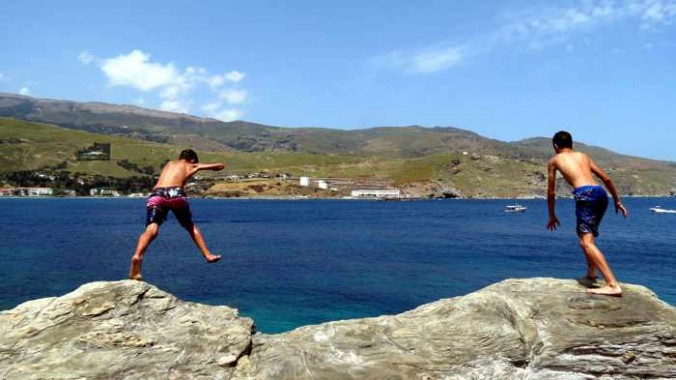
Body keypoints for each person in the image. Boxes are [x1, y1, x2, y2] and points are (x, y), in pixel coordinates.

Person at [546, 131, 628, 296]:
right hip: (600, 193)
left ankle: (612, 284)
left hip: (585, 194)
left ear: (555, 146)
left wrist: (552, 215)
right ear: (572, 144)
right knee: (587, 235)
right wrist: (617, 201)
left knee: (585, 243)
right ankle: (591, 273)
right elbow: (607, 179)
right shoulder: (583, 156)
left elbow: (551, 192)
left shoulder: (554, 160)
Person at [129, 149, 225, 281]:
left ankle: (137, 255)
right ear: (191, 159)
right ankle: (207, 254)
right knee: (190, 226)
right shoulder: (191, 165)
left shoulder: (169, 164)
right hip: (176, 194)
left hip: (157, 194)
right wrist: (213, 168)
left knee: (151, 228)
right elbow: (219, 165)